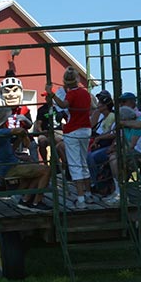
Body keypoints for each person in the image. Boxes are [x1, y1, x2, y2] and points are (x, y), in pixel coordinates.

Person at [47, 66, 95, 209]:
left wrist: (52, 94)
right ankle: (88, 194)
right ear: (78, 79)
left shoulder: (71, 94)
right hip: (86, 129)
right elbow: (92, 107)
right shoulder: (86, 93)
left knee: (75, 164)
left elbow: (63, 105)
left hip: (73, 130)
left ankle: (80, 199)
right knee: (83, 161)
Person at [0, 106, 51, 212]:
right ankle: (36, 202)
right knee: (46, 170)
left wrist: (18, 151)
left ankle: (25, 199)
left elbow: (6, 149)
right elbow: (19, 130)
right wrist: (23, 133)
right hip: (8, 168)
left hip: (5, 165)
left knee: (34, 167)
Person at [103, 106, 141, 204]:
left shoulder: (137, 126)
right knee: (112, 158)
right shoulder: (127, 126)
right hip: (130, 152)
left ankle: (119, 192)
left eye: (122, 120)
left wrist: (118, 151)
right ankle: (117, 190)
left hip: (139, 153)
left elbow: (132, 145)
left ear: (127, 119)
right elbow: (123, 140)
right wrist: (113, 148)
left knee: (114, 160)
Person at [0, 71, 38, 161]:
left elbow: (30, 125)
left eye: (15, 90)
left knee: (33, 145)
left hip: (23, 136)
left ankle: (35, 162)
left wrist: (24, 119)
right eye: (7, 91)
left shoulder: (24, 109)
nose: (11, 94)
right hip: (7, 136)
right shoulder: (0, 110)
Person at [35, 87, 68, 164]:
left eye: (48, 96)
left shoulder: (59, 108)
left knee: (59, 141)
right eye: (46, 97)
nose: (46, 98)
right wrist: (41, 132)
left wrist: (65, 128)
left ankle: (61, 163)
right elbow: (38, 123)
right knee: (42, 141)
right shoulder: (41, 109)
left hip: (58, 130)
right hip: (45, 131)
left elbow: (67, 119)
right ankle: (46, 162)